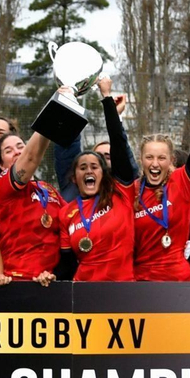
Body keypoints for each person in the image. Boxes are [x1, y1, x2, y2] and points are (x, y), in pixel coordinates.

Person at [130, 78, 190, 281]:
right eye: (149, 157)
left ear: (171, 160)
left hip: (179, 283)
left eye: (161, 158)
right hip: (141, 284)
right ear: (141, 160)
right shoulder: (132, 190)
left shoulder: (181, 183)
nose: (155, 164)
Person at [57, 82, 138, 283]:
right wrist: (65, 106)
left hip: (122, 292)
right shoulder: (66, 213)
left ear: (105, 173)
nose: (89, 170)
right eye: (83, 168)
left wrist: (106, 98)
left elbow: (119, 144)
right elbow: (66, 265)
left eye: (95, 166)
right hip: (85, 294)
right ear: (74, 178)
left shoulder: (121, 194)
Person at [0, 126, 56, 284]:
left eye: (20, 147)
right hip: (16, 281)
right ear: (2, 166)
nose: (18, 152)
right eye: (8, 151)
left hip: (50, 281)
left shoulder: (48, 189)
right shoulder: (3, 186)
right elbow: (30, 157)